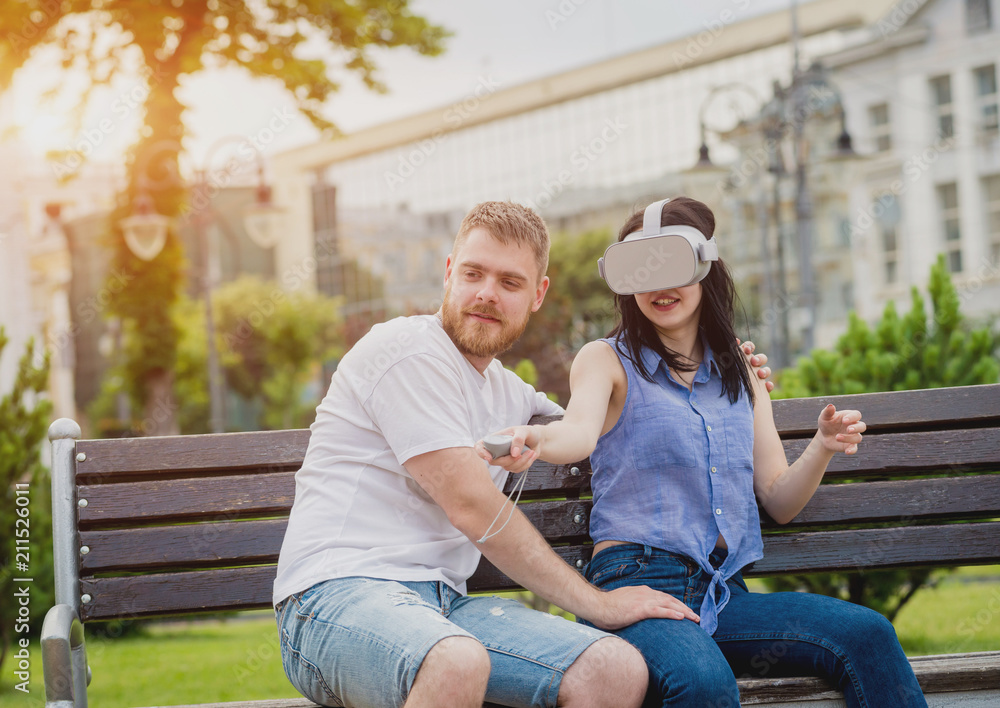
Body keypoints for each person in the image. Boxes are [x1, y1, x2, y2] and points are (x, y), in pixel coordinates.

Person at [274, 200, 734, 708]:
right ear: (450, 273)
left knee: (614, 669)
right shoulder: (403, 350)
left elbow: (609, 424)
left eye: (510, 283)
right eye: (473, 274)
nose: (486, 295)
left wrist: (713, 376)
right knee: (455, 660)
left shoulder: (512, 395)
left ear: (538, 295)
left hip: (444, 607)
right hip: (332, 600)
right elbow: (471, 504)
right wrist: (597, 604)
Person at [478, 196, 927, 708]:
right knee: (704, 682)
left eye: (671, 266)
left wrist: (823, 446)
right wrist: (537, 439)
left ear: (705, 267)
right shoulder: (605, 360)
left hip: (723, 594)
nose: (656, 286)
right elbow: (577, 433)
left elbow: (779, 499)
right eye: (640, 271)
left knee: (867, 634)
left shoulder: (739, 370)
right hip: (635, 588)